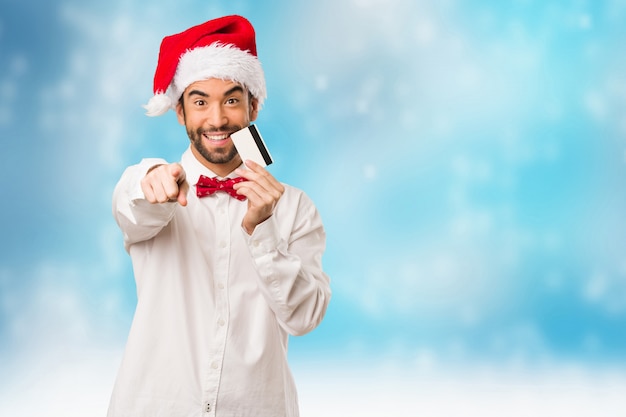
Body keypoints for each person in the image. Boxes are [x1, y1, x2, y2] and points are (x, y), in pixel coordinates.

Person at [107, 15, 331, 417]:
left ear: (253, 106)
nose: (216, 120)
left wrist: (261, 231)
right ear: (180, 112)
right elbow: (131, 208)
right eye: (199, 102)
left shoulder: (296, 207)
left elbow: (305, 316)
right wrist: (149, 184)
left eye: (231, 99)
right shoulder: (151, 187)